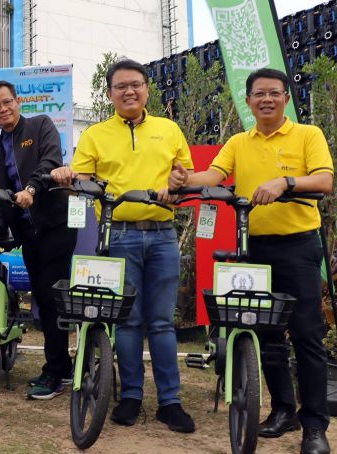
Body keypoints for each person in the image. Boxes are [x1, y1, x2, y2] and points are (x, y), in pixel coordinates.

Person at [168, 68, 332, 453]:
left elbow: (324, 181)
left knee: (307, 335)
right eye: (259, 94)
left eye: (274, 93)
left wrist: (285, 182)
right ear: (249, 100)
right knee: (266, 334)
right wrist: (183, 179)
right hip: (254, 248)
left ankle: (314, 427)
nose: (267, 100)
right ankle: (282, 411)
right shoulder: (240, 141)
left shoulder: (308, 135)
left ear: (286, 98)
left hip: (298, 246)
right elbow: (213, 174)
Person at [51, 58, 196, 433]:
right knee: (128, 321)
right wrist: (69, 176)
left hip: (163, 233)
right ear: (110, 93)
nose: (129, 91)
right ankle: (130, 395)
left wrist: (182, 180)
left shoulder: (169, 128)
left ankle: (170, 402)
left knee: (162, 322)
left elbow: (187, 176)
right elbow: (81, 177)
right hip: (119, 234)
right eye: (121, 86)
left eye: (136, 84)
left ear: (147, 88)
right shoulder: (97, 134)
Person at [0, 80, 76, 400]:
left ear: (18, 101)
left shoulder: (41, 126)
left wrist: (32, 190)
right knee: (43, 298)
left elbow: (50, 163)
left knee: (52, 298)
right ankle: (62, 367)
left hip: (55, 226)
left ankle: (55, 370)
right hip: (28, 234)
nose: (3, 109)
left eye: (7, 102)